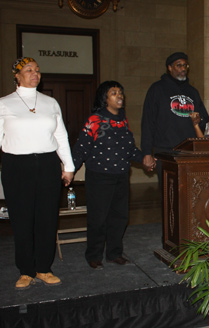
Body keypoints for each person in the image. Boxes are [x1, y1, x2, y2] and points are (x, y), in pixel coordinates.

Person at [0, 57, 74, 289]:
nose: (35, 73)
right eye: (28, 70)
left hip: (47, 165)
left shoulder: (51, 103)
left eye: (37, 70)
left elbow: (61, 136)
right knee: (22, 219)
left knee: (46, 218)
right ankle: (25, 270)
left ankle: (44, 268)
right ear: (17, 75)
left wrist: (69, 166)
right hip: (17, 167)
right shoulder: (4, 104)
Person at [72, 81, 143, 270]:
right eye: (114, 93)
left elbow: (129, 149)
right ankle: (94, 256)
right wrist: (69, 170)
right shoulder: (95, 120)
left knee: (119, 217)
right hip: (99, 177)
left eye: (121, 92)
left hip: (120, 176)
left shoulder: (123, 119)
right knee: (98, 218)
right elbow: (81, 149)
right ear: (105, 98)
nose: (119, 95)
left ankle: (114, 253)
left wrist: (144, 158)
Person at [141, 52, 209, 181]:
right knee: (169, 194)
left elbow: (205, 118)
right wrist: (146, 152)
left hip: (189, 152)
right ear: (170, 68)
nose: (183, 69)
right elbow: (148, 122)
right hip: (166, 151)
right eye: (179, 65)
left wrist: (199, 120)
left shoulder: (193, 92)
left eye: (185, 66)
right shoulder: (157, 89)